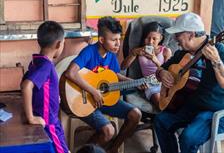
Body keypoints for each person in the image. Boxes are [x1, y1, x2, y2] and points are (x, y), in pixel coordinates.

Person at [154, 12, 224, 153]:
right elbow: (162, 68)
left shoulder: (218, 50)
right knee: (161, 121)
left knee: (188, 138)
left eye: (178, 34)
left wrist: (216, 61)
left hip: (218, 110)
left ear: (191, 34)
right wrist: (162, 73)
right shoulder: (183, 53)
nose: (176, 39)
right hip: (195, 105)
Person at [64, 16, 142, 153]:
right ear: (101, 40)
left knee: (135, 114)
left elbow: (114, 75)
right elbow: (70, 73)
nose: (118, 44)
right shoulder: (89, 52)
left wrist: (135, 82)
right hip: (85, 101)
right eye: (114, 40)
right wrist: (93, 92)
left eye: (119, 39)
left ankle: (112, 149)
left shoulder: (111, 54)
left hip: (104, 99)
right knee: (108, 131)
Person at [21, 21, 69, 153]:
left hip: (48, 117)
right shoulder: (46, 66)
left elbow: (25, 81)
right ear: (59, 44)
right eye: (63, 43)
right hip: (49, 122)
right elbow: (26, 86)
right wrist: (30, 117)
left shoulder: (37, 60)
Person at [121, 22, 172, 108]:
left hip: (164, 82)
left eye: (154, 39)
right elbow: (123, 67)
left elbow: (170, 72)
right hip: (150, 84)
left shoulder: (165, 51)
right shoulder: (138, 50)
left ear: (160, 38)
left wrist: (155, 60)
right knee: (160, 103)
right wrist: (133, 54)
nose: (150, 42)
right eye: (147, 38)